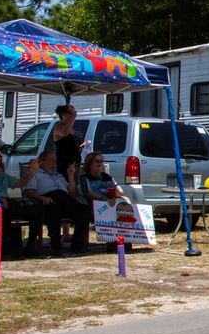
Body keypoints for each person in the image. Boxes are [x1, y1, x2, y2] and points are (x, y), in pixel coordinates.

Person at [23, 151, 92, 257]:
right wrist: (42, 198)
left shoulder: (59, 176)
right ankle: (56, 246)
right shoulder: (35, 174)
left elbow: (72, 193)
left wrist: (70, 176)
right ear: (42, 162)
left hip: (65, 200)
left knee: (85, 211)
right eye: (51, 160)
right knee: (54, 210)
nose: (54, 163)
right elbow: (29, 192)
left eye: (55, 160)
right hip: (47, 200)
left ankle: (77, 244)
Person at [78, 151, 130, 252]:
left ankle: (122, 242)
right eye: (96, 161)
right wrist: (104, 200)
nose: (100, 164)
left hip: (111, 203)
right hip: (95, 205)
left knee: (124, 211)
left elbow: (120, 191)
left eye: (101, 161)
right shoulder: (86, 178)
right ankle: (112, 243)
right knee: (110, 212)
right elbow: (88, 193)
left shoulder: (107, 177)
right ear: (90, 164)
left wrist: (118, 192)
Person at [52, 103, 81, 243]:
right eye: (70, 113)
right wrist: (73, 116)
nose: (72, 116)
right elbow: (64, 133)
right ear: (64, 115)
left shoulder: (71, 128)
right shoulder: (58, 127)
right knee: (67, 193)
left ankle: (73, 228)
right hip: (64, 166)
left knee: (75, 193)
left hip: (74, 165)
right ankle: (65, 231)